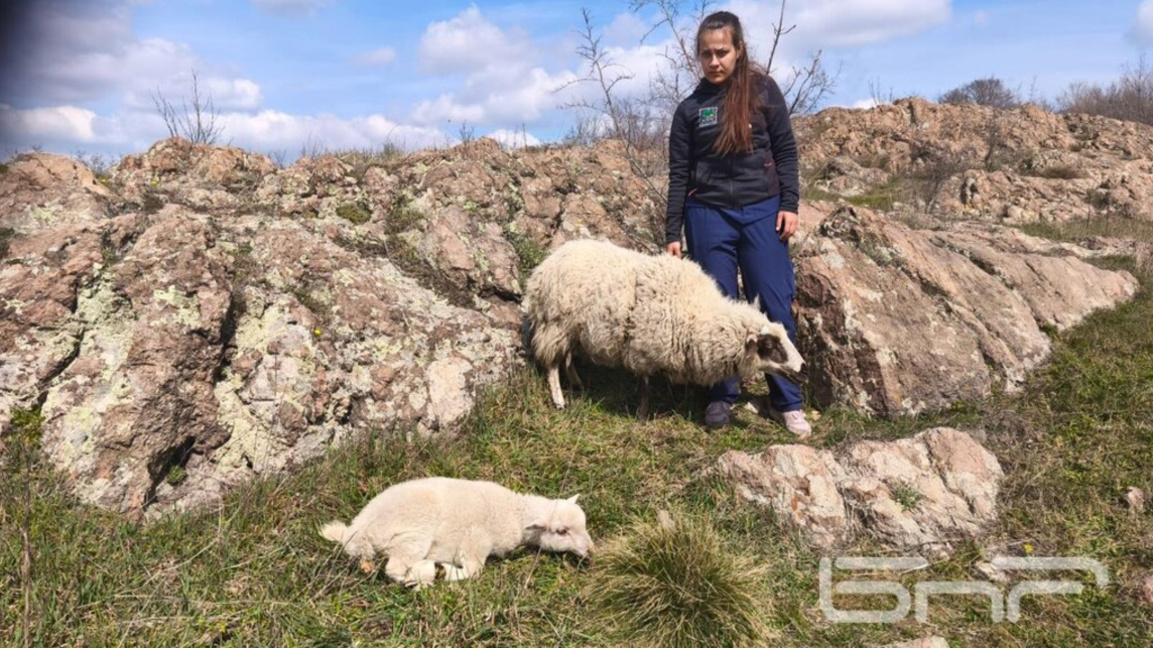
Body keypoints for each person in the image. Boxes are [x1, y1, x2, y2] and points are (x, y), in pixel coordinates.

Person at [664, 10, 811, 436]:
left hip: (763, 211)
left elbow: (785, 151)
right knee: (720, 315)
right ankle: (721, 395)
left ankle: (788, 400)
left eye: (722, 52)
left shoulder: (763, 93)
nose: (714, 62)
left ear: (739, 49)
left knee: (775, 302)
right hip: (707, 215)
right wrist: (673, 232)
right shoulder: (690, 109)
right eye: (706, 54)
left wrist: (790, 203)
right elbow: (679, 173)